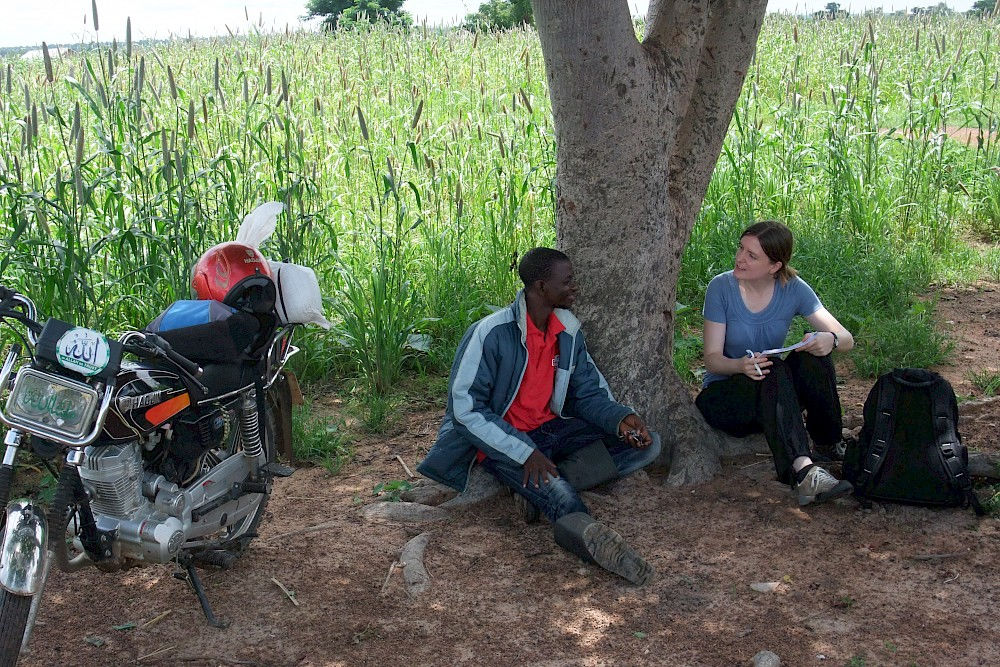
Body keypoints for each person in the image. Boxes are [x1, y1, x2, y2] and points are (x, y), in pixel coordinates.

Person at [417, 247, 662, 585]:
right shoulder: (490, 333)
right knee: (560, 494)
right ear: (542, 287)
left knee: (645, 446)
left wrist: (620, 419)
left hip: (551, 431)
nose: (574, 287)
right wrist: (524, 452)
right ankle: (594, 541)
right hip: (507, 442)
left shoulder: (568, 332)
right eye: (568, 281)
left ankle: (534, 494)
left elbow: (588, 393)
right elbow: (465, 409)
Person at [695, 221, 855, 506]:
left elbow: (845, 338)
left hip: (771, 395)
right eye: (740, 249)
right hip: (727, 397)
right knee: (772, 366)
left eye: (751, 255)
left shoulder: (793, 288)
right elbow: (712, 360)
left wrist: (828, 340)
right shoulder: (721, 287)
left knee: (811, 357)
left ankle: (829, 443)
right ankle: (803, 472)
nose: (740, 258)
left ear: (774, 266)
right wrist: (740, 365)